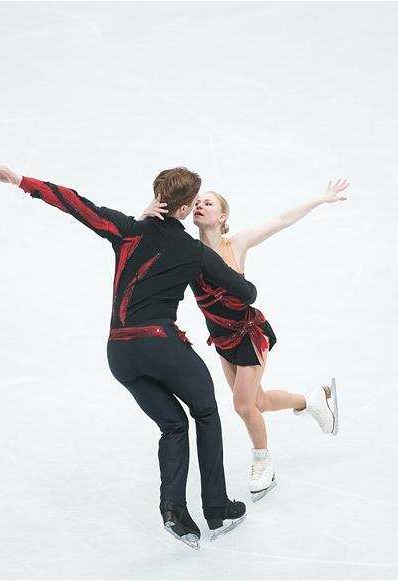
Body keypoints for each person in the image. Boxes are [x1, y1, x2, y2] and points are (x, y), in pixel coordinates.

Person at [0, 164, 255, 550]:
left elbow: (76, 204)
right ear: (183, 210)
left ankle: (174, 511)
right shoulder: (194, 251)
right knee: (206, 413)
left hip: (120, 353)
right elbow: (246, 293)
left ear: (157, 196)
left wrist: (20, 180)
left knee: (173, 424)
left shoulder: (126, 229)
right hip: (161, 344)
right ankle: (216, 508)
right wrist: (222, 265)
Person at [141, 179, 349, 502]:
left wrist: (321, 199)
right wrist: (145, 216)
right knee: (258, 402)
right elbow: (144, 245)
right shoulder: (187, 251)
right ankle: (311, 400)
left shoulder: (235, 244)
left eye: (208, 202)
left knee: (242, 405)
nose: (200, 205)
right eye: (197, 202)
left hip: (250, 333)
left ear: (222, 216)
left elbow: (281, 220)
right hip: (222, 341)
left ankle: (263, 462)